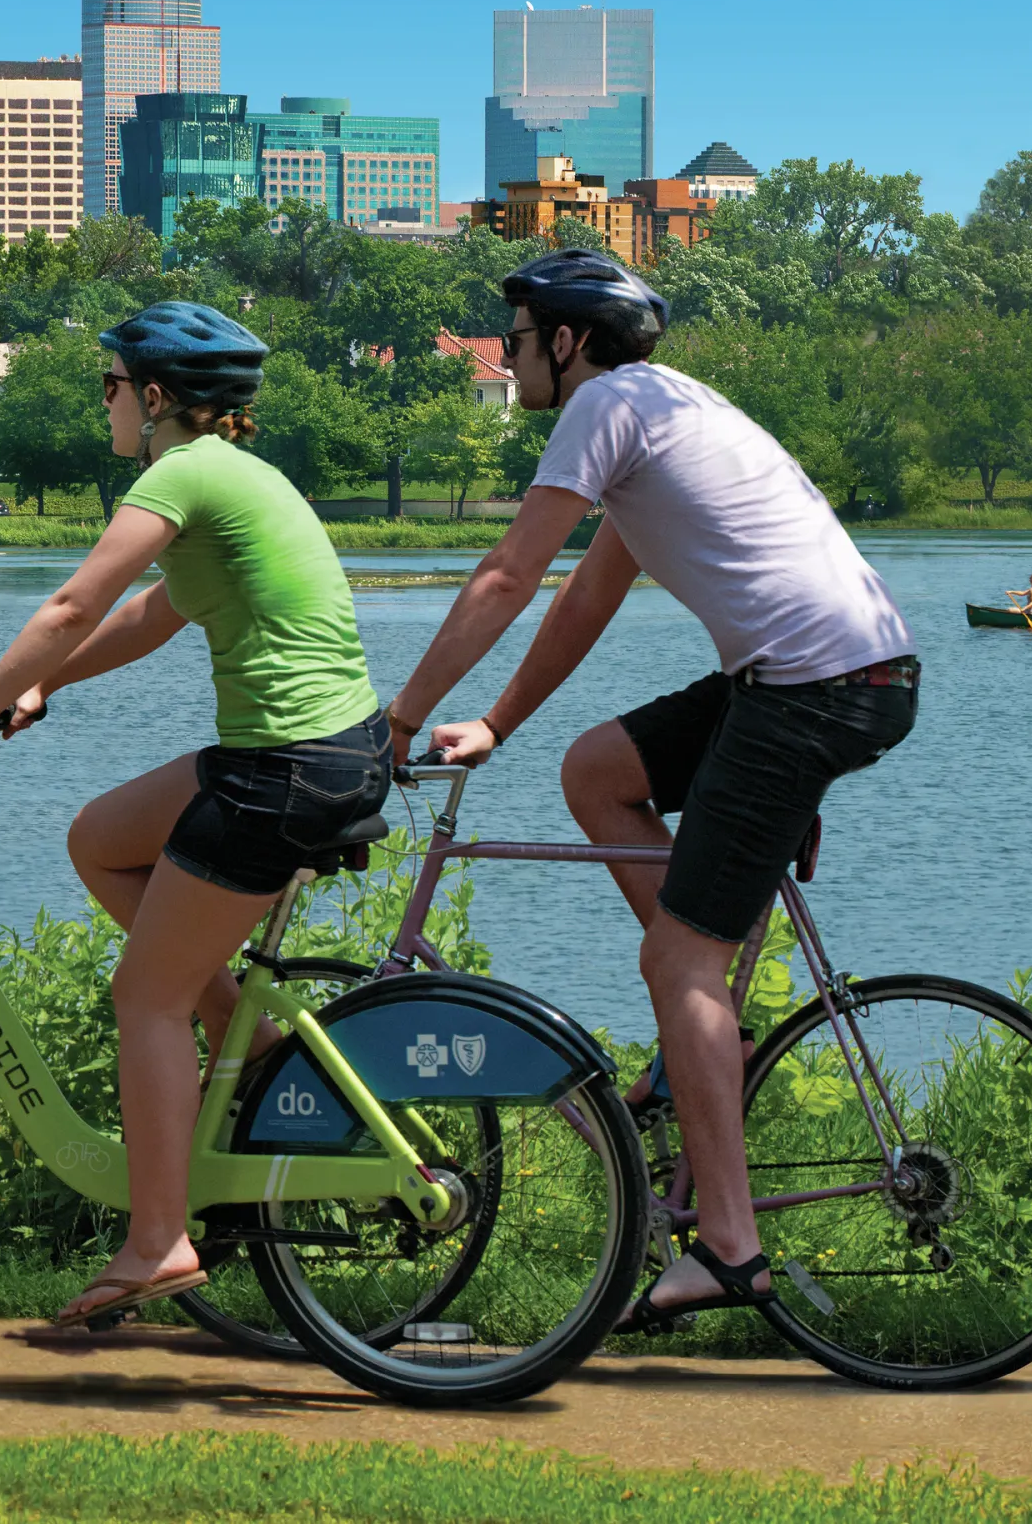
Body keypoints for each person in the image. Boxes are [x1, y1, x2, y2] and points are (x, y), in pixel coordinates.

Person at [382, 249, 918, 1333]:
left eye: (522, 340)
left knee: (676, 956)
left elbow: (507, 573)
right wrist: (492, 723)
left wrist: (394, 720)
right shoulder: (663, 411)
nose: (514, 357)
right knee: (599, 773)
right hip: (830, 677)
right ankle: (702, 1038)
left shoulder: (604, 405)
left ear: (568, 343)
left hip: (811, 689)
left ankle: (729, 1247)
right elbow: (582, 600)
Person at [0, 303, 391, 1329]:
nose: (106, 403)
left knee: (144, 997)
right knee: (100, 839)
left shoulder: (177, 474)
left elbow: (72, 605)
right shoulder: (236, 475)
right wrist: (43, 690)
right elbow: (151, 614)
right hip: (313, 752)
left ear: (157, 396)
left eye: (110, 385)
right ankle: (247, 1032)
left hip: (285, 768)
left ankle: (158, 1237)